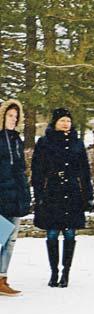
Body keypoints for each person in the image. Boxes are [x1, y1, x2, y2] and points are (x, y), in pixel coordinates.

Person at [31, 108, 94, 288]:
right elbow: (37, 171)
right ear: (55, 123)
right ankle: (54, 272)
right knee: (52, 233)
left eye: (68, 120)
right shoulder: (44, 142)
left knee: (69, 233)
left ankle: (66, 272)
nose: (66, 124)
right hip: (52, 192)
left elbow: (85, 172)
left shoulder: (77, 143)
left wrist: (88, 195)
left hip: (72, 193)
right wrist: (39, 194)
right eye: (62, 121)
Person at [0, 99, 31, 296]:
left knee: (10, 239)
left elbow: (20, 168)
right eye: (10, 115)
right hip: (1, 195)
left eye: (16, 116)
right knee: (0, 236)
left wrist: (24, 191)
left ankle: (2, 278)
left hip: (17, 194)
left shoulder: (17, 140)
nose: (13, 119)